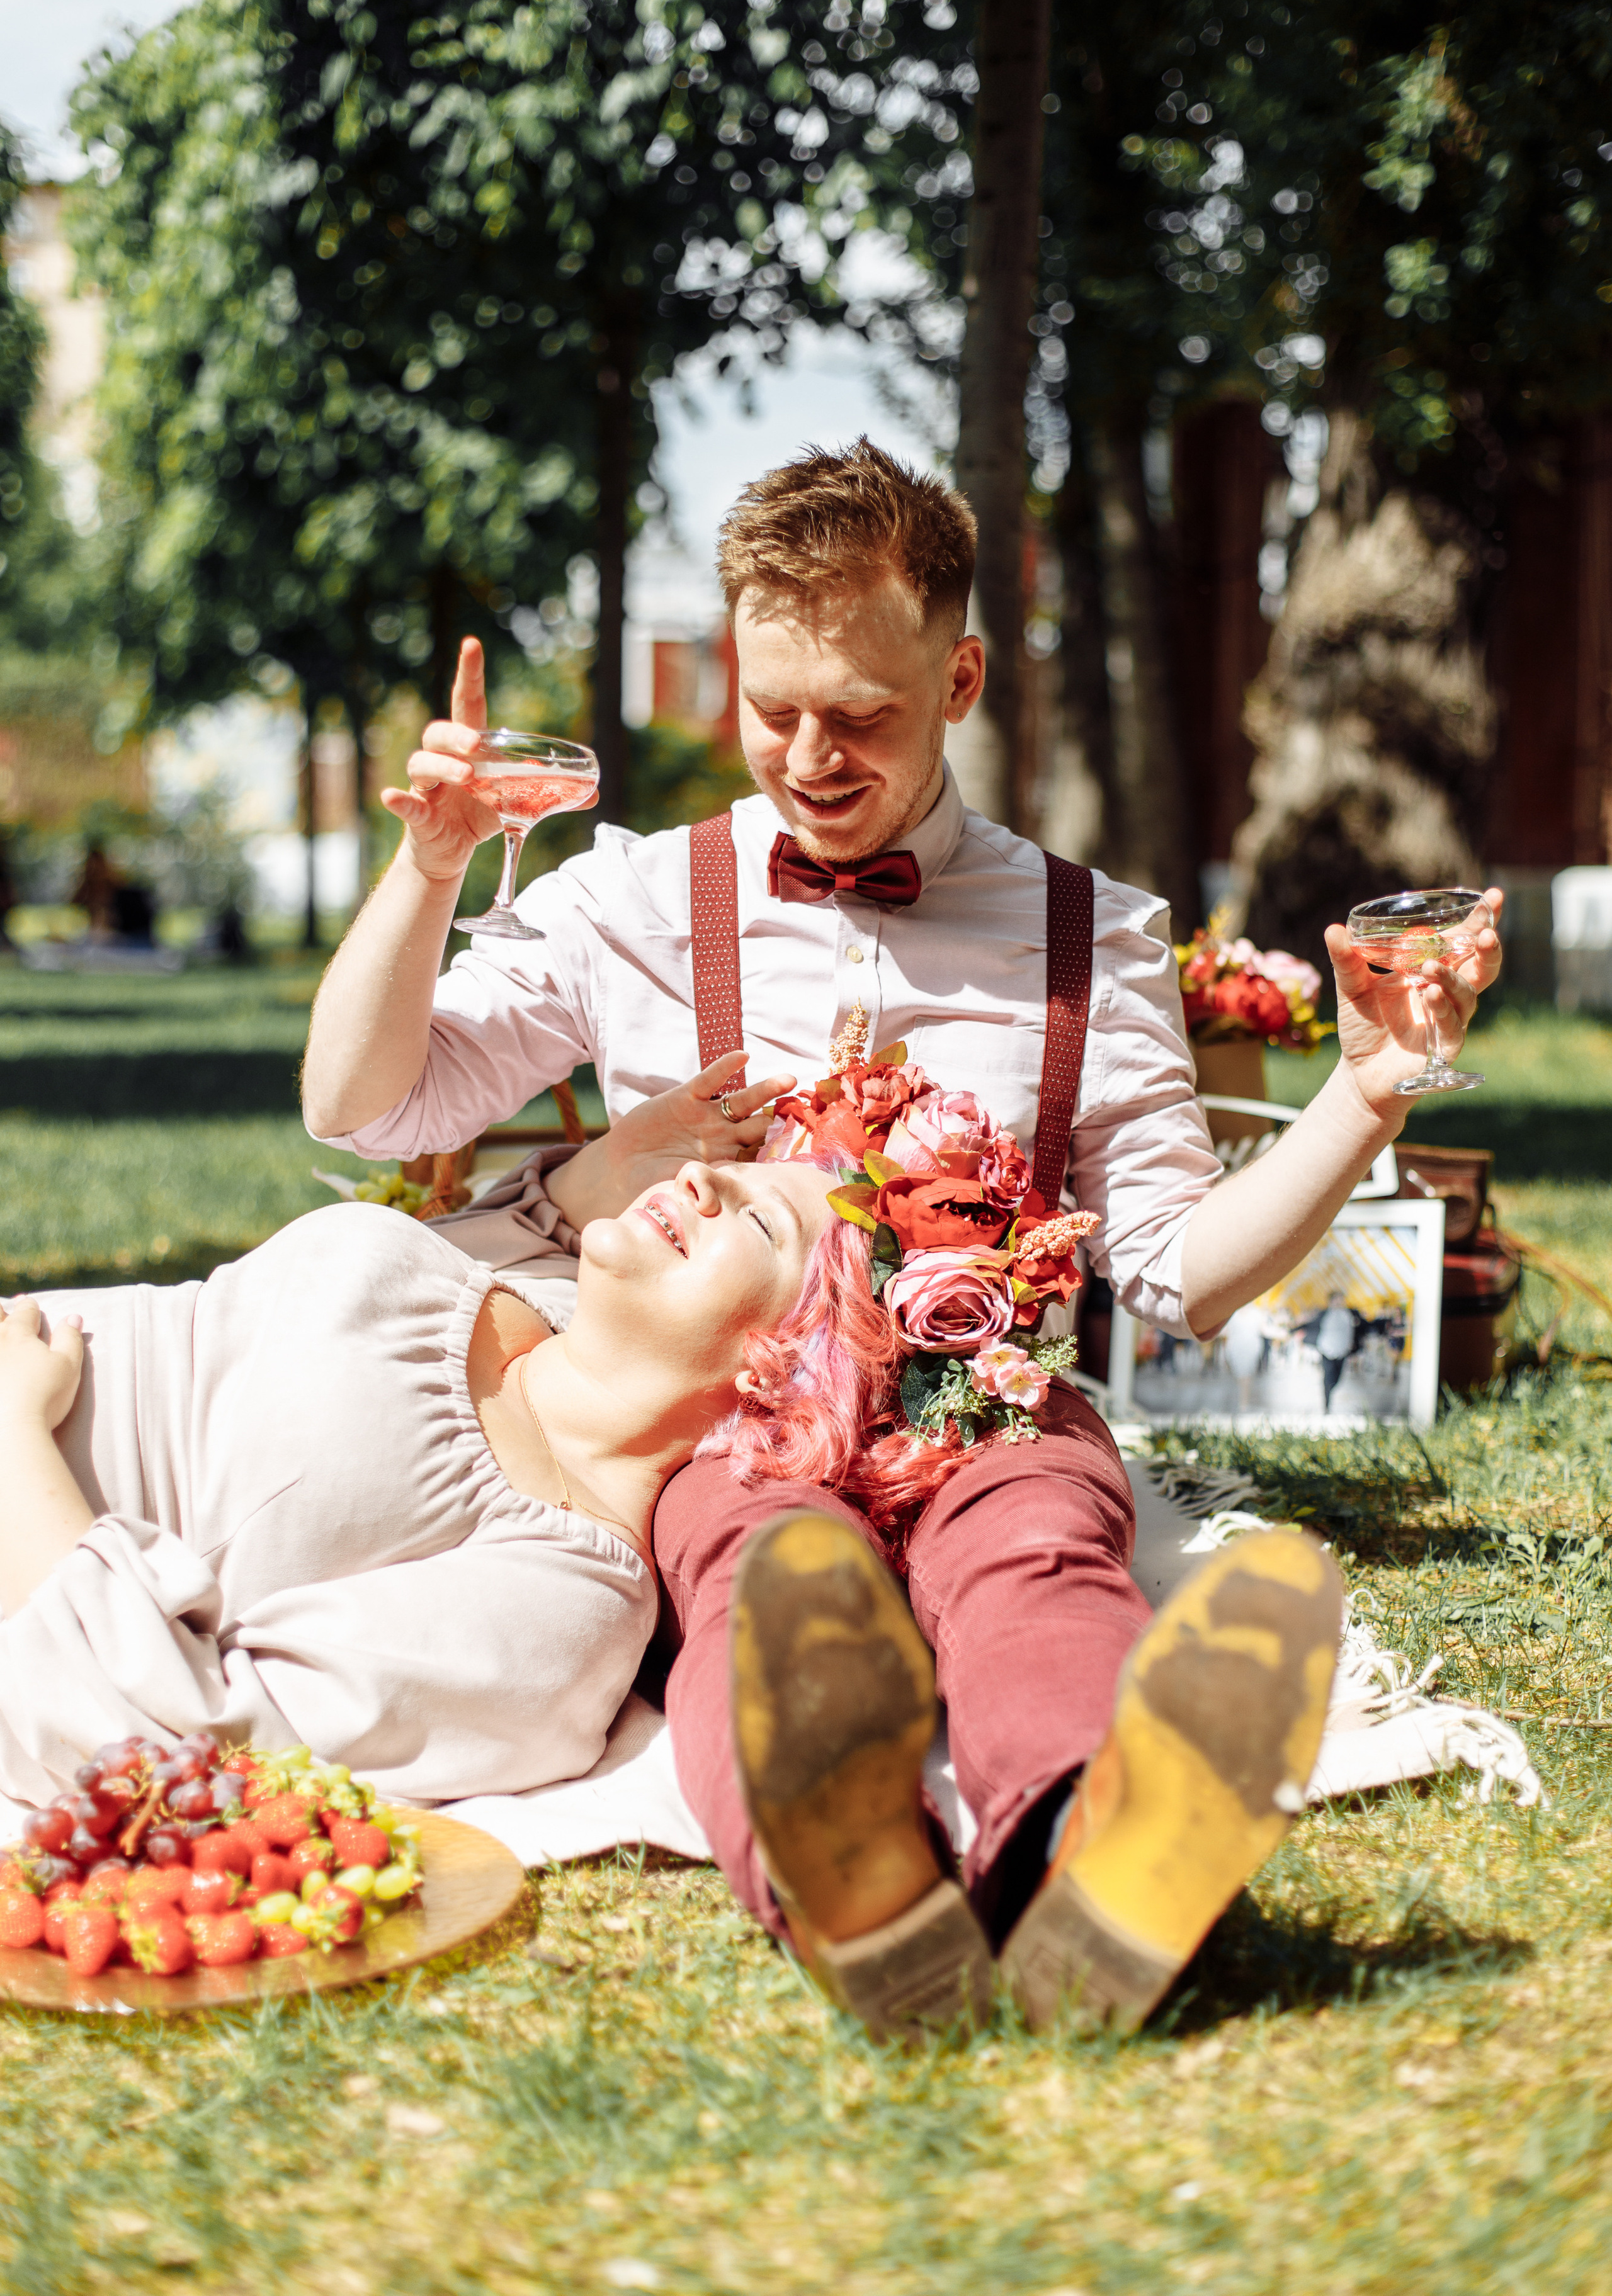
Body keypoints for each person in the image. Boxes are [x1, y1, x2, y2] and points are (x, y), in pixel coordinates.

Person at [300, 437, 1502, 2033]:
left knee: (1036, 1553)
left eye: (859, 712)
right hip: (718, 1423)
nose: (807, 754)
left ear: (960, 678)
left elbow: (1175, 1273)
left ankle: (1094, 1852)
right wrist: (428, 865)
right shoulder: (636, 901)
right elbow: (362, 1107)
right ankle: (847, 1887)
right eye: (771, 705)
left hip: (988, 1401)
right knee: (757, 1580)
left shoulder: (1097, 937)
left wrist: (1362, 1093)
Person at [0, 1156, 829, 1811]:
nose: (703, 1177)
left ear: (786, 1373)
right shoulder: (528, 1288)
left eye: (761, 1219)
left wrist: (15, 1432)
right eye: (739, 1170)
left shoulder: (560, 1611)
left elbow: (178, 1753)